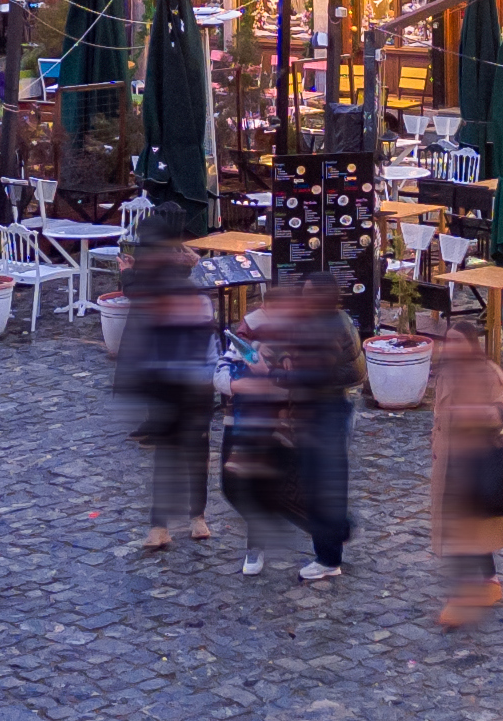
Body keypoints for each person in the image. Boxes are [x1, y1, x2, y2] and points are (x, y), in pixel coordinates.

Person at [234, 278, 364, 584]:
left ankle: (329, 556)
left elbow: (314, 374)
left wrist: (272, 373)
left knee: (320, 486)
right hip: (329, 409)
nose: (303, 300)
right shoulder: (335, 321)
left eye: (307, 295)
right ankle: (335, 537)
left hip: (323, 413)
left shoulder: (325, 329)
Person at [115, 235, 219, 556]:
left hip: (189, 389)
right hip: (176, 389)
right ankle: (172, 524)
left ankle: (185, 520)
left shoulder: (189, 302)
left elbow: (206, 352)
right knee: (177, 456)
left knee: (182, 456)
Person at [426, 325, 503, 631]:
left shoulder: (488, 373)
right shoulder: (447, 374)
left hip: (478, 463)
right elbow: (438, 416)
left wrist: (474, 412)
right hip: (450, 463)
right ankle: (490, 582)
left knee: (465, 532)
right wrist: (435, 445)